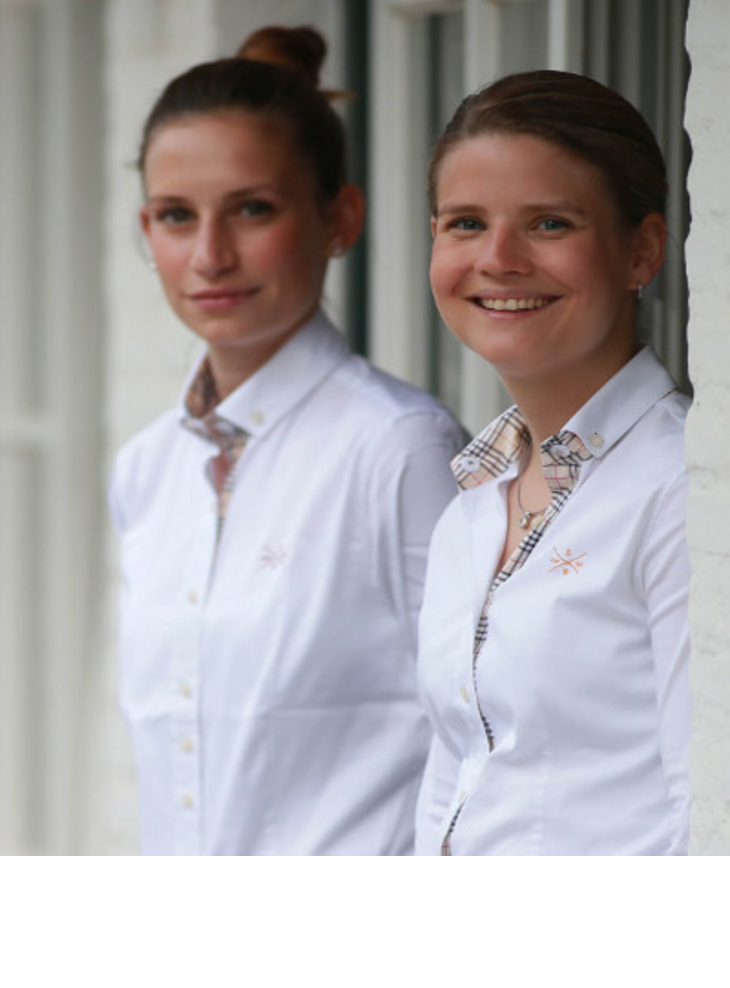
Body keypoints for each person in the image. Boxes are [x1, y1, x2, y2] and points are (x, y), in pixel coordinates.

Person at [109, 25, 468, 855]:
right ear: (146, 229)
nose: (209, 255)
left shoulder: (400, 451)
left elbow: (482, 743)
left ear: (339, 217)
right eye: (175, 216)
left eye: (253, 208)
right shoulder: (146, 470)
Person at [415, 70, 691, 855]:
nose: (498, 258)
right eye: (466, 223)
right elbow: (456, 774)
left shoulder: (681, 490)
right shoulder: (471, 503)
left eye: (548, 223)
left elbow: (707, 812)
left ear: (642, 250)